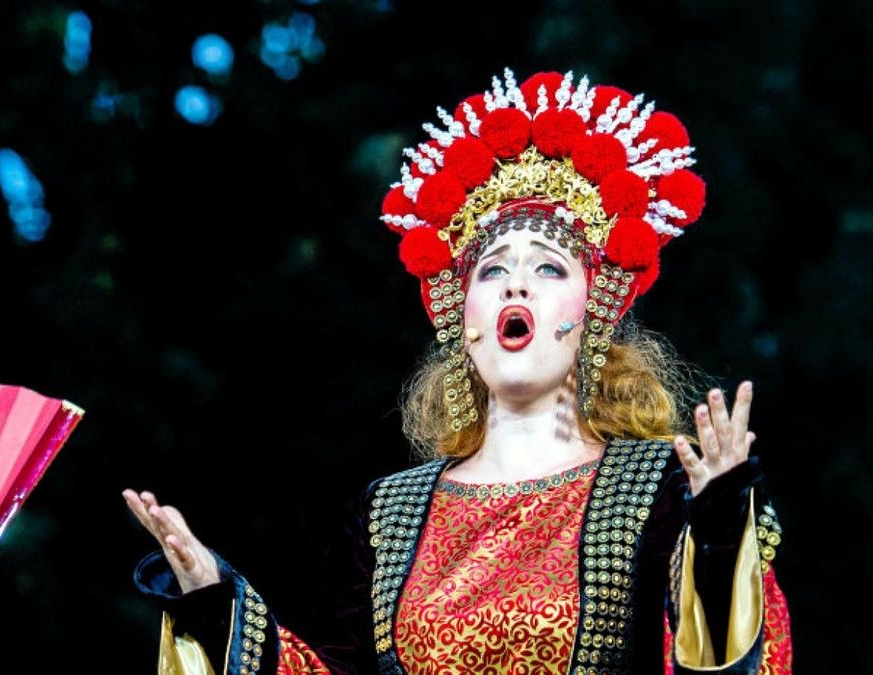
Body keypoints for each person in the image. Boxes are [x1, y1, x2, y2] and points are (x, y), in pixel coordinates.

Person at [122, 68, 792, 674]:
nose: (515, 286)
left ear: (594, 311)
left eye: (549, 267)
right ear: (462, 315)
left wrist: (718, 538)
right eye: (493, 268)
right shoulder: (390, 512)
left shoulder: (661, 487)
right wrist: (215, 602)